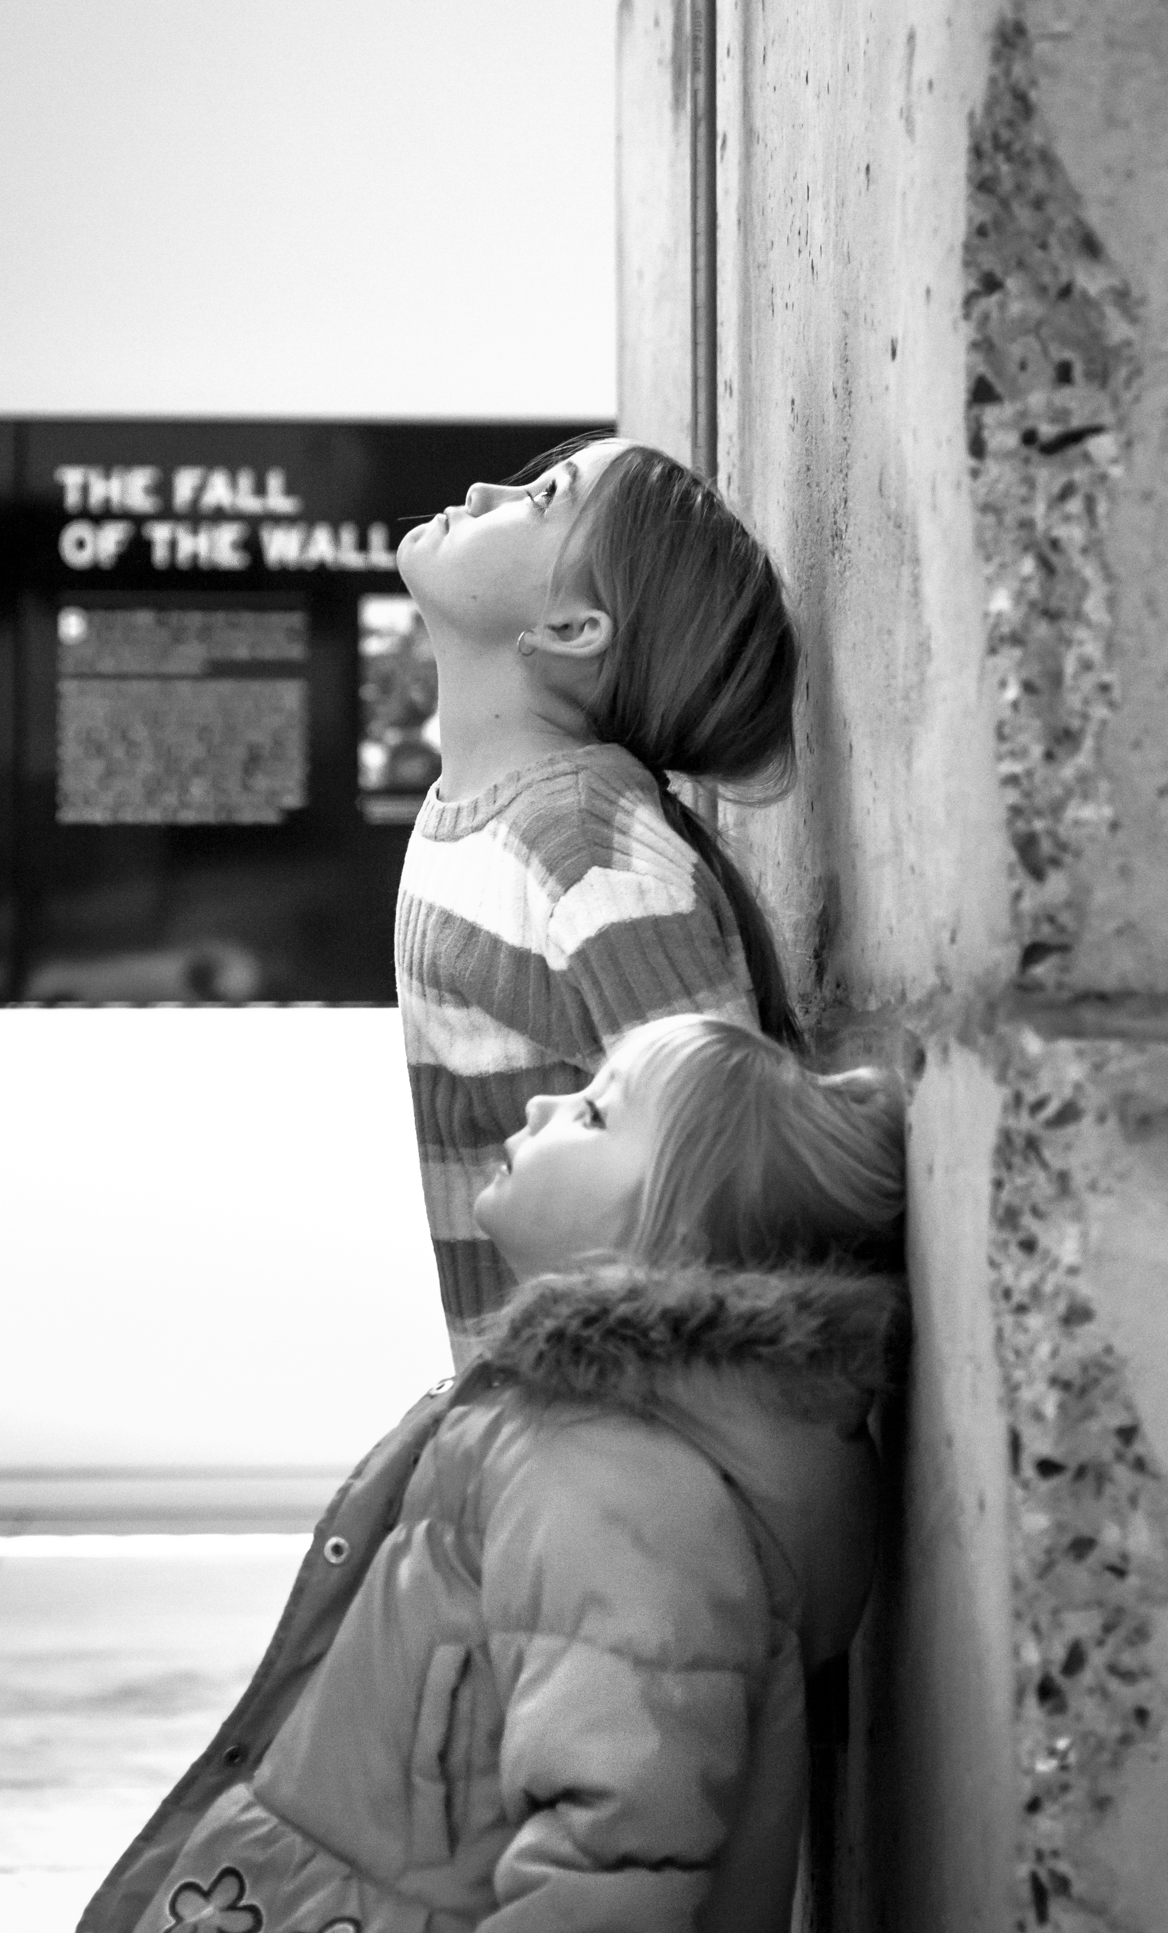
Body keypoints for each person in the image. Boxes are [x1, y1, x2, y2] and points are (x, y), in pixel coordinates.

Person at [79, 1016, 908, 1933]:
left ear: (666, 1235)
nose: (544, 1101)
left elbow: (618, 1844)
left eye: (595, 1114)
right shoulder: (585, 1434)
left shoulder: (620, 1482)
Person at [395, 437, 803, 1363]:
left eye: (540, 498)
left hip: (619, 1439)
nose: (481, 484)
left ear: (576, 628)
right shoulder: (480, 819)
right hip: (535, 1421)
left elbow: (725, 1221)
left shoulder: (587, 852)